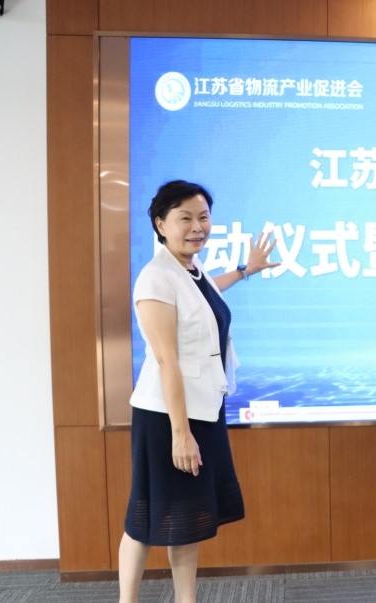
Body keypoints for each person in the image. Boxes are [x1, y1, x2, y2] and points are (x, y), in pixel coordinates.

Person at [118, 180, 279, 603]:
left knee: (188, 517)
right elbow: (167, 361)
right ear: (160, 224)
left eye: (203, 217)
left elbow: (205, 294)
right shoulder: (155, 278)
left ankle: (186, 599)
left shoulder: (189, 269)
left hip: (201, 411)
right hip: (167, 418)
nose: (197, 227)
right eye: (185, 218)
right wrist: (180, 433)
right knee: (145, 517)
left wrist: (245, 270)